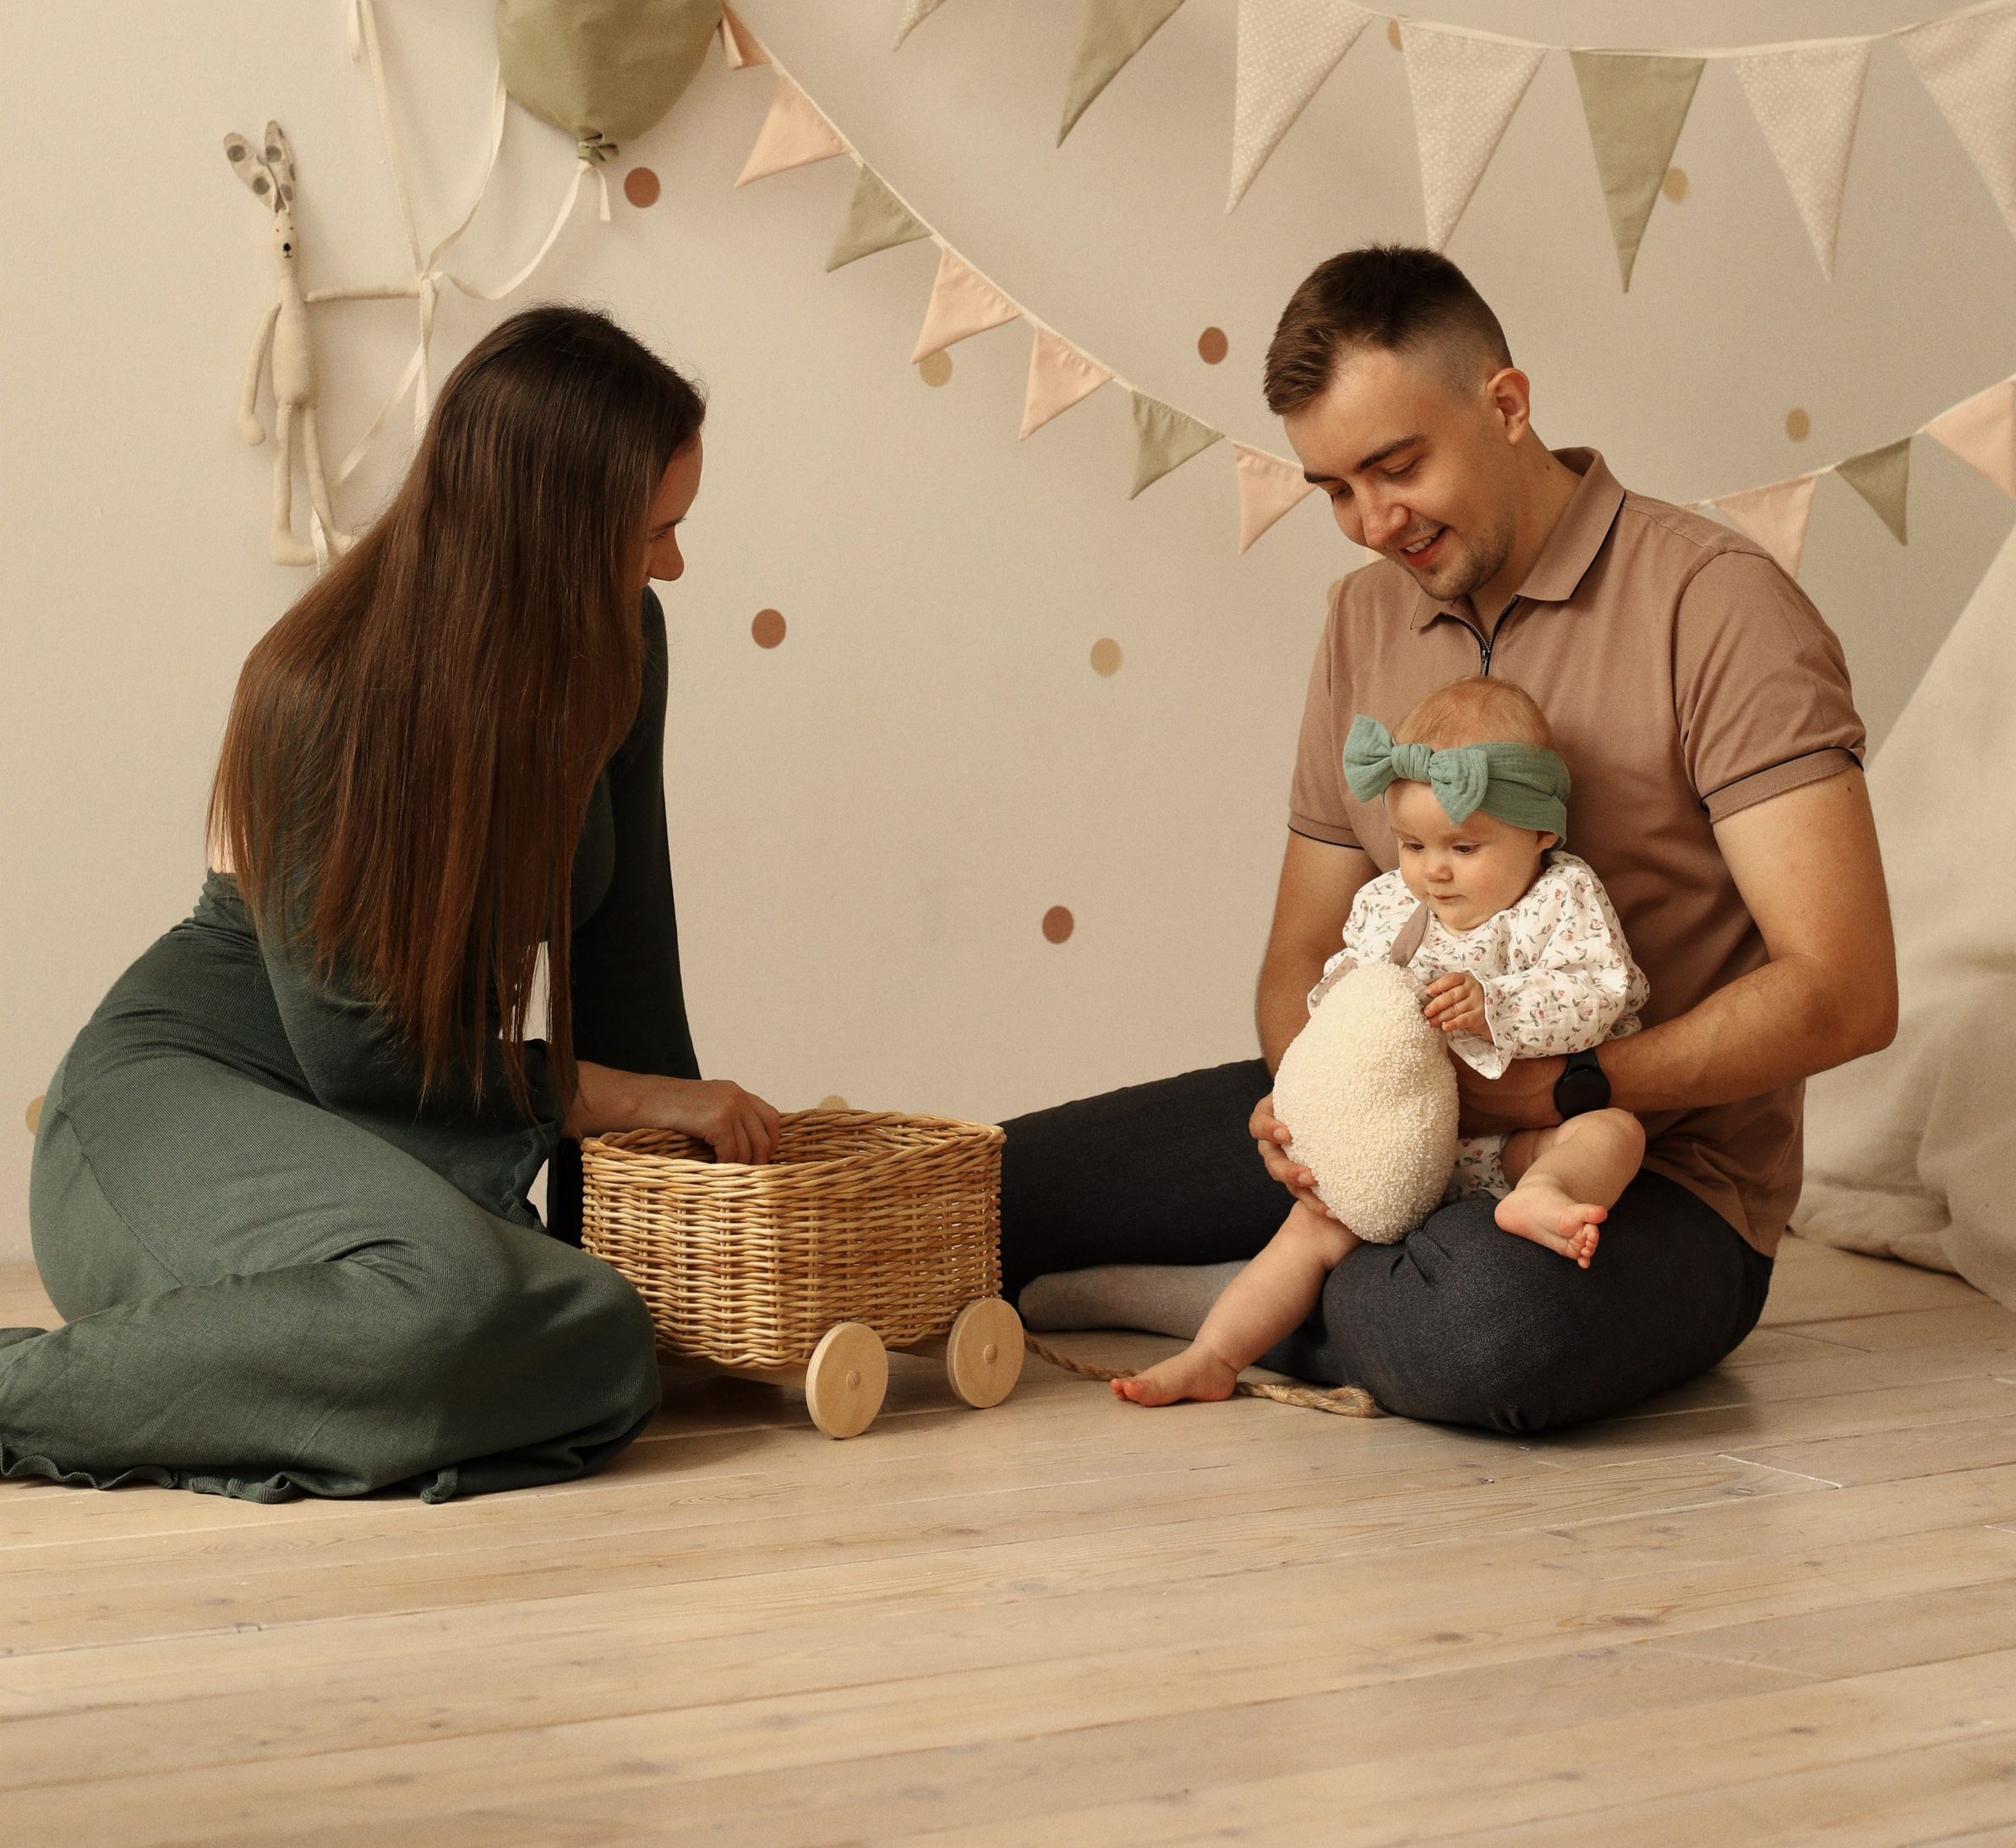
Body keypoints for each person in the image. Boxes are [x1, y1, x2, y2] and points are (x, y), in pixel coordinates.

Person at [1002, 245, 1899, 1434]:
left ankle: (1246, 1301)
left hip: (1636, 1171)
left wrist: (1555, 1088)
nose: (1371, 523)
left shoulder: (1716, 604)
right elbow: (1298, 954)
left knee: (1489, 1331)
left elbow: (1845, 992)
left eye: (1396, 465)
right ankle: (1306, 1277)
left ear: (1507, 405)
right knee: (990, 1185)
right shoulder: (1363, 619)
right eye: (1332, 488)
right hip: (1395, 1115)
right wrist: (1309, 1107)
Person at [0, 306, 778, 1506]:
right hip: (189, 1092)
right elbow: (357, 1054)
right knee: (453, 1305)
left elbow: (627, 959)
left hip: (378, 1145)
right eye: (653, 533)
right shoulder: (314, 694)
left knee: (606, 1325)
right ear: (551, 535)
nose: (672, 564)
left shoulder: (625, 640)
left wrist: (687, 1200)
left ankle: (285, 1373)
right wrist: (626, 1100)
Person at [1110, 676, 1648, 1407]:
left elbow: (1600, 990)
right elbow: (1339, 1007)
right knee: (1309, 1231)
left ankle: (1544, 1195)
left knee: (1614, 1132)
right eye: (1414, 843)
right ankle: (1214, 1352)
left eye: (1465, 845)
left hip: (1523, 1140)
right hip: (1399, 1144)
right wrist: (1299, 1097)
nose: (1435, 868)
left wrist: (1495, 1007)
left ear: (1541, 832)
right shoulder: (1389, 904)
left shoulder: (1562, 897)